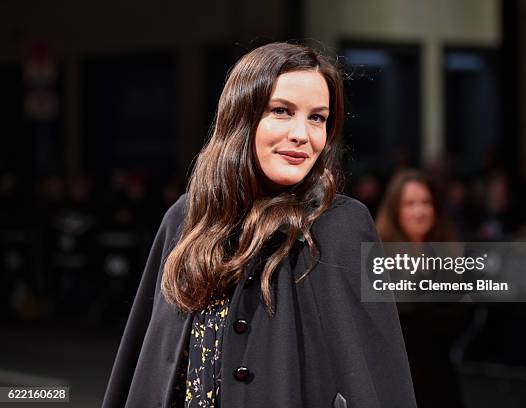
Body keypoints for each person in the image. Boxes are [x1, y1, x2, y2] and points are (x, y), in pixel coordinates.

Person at [102, 42, 416, 408]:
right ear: (242, 116)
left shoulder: (340, 225)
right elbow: (148, 363)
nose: (303, 134)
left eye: (318, 117)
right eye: (282, 111)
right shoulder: (186, 219)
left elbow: (376, 376)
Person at [376, 169, 468, 408]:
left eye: (426, 203)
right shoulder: (380, 258)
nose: (419, 211)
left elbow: (461, 316)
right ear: (396, 210)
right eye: (410, 204)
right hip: (397, 381)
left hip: (441, 378)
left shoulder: (448, 254)